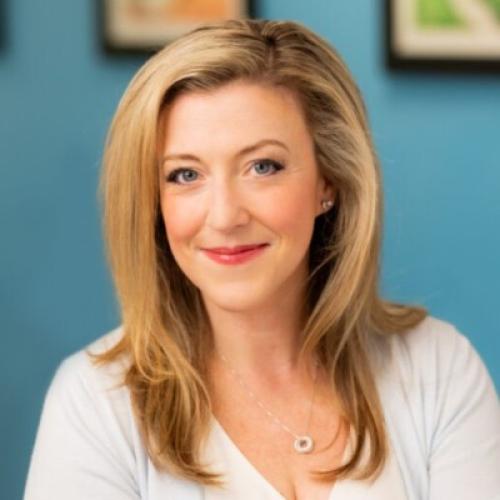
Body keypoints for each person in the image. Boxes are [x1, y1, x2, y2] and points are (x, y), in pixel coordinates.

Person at [24, 19, 499, 500]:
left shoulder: (440, 368)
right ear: (154, 201)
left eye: (262, 167)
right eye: (185, 175)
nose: (225, 216)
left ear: (328, 180)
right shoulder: (94, 403)